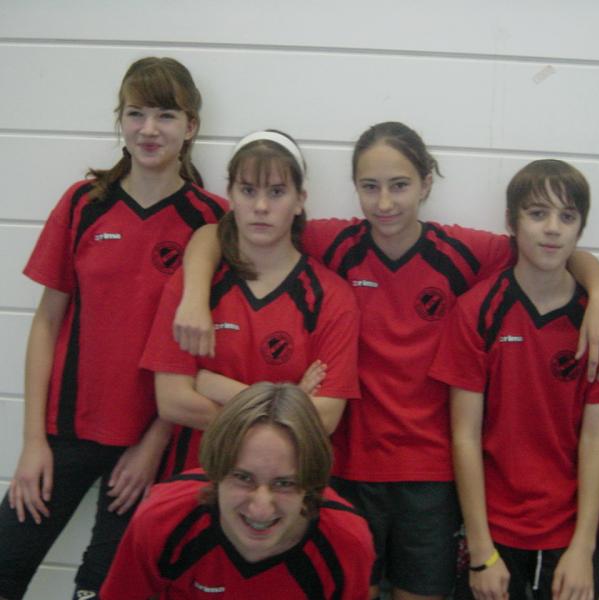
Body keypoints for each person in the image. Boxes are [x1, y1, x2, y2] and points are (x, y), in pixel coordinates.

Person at [173, 122, 599, 600]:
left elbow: (551, 248)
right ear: (355, 188)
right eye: (370, 187)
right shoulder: (335, 242)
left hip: (431, 479)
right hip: (346, 468)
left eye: (400, 185)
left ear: (426, 184)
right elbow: (215, 233)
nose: (384, 202)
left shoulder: (463, 252)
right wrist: (194, 293)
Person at [0, 57, 227, 600]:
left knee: (102, 588)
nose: (149, 129)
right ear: (120, 119)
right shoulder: (83, 203)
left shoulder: (212, 221)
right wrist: (32, 442)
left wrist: (153, 444)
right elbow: (46, 322)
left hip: (154, 441)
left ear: (191, 126)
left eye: (166, 115)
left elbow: (203, 350)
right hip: (65, 431)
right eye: (135, 113)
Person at [430, 159, 599, 600]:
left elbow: (597, 436)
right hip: (493, 533)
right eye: (538, 214)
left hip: (569, 536)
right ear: (511, 222)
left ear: (581, 228)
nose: (553, 229)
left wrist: (584, 547)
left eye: (567, 216)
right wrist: (481, 550)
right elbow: (464, 435)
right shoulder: (478, 310)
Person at [141, 130, 360, 479]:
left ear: (300, 200)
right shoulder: (193, 286)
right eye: (247, 190)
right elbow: (172, 402)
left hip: (284, 491)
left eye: (276, 192)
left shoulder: (332, 297)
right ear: (230, 195)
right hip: (195, 479)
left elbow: (324, 418)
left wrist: (211, 384)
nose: (260, 207)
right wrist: (286, 400)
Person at [101, 382, 375, 598]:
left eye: (285, 484)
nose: (260, 509)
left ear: (311, 481)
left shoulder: (346, 543)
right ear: (216, 472)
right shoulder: (164, 520)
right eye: (243, 478)